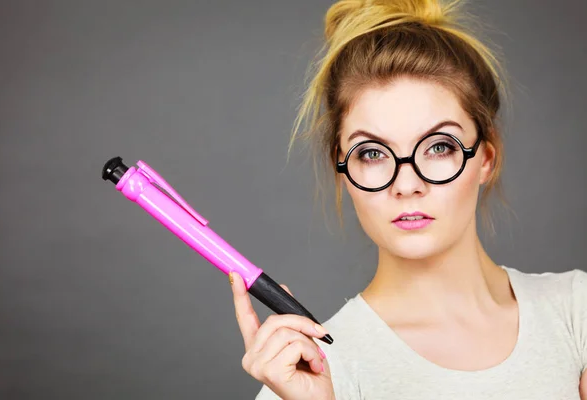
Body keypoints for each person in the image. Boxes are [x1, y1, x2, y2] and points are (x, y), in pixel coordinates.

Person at [229, 0, 587, 399]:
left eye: (438, 147)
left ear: (485, 159)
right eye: (372, 153)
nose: (406, 183)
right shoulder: (305, 374)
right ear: (343, 170)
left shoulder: (576, 312)